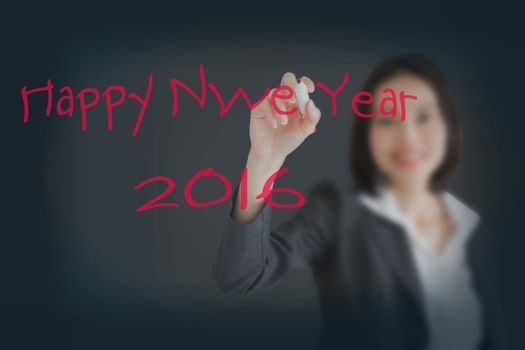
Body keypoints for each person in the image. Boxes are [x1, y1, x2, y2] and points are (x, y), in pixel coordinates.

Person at [211, 54, 506, 350]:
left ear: (450, 127)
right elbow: (239, 275)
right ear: (369, 135)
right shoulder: (337, 214)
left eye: (424, 116)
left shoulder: (480, 234)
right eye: (388, 119)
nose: (408, 137)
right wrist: (266, 158)